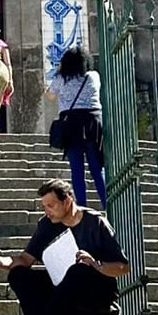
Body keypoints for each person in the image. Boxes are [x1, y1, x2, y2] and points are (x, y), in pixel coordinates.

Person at [0, 177, 129, 315]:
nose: (47, 211)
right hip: (60, 289)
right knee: (19, 274)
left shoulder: (95, 222)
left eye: (51, 205)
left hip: (94, 293)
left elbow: (123, 267)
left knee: (78, 270)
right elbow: (25, 260)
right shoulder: (47, 224)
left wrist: (95, 264)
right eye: (44, 206)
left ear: (67, 201)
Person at [46, 47, 106, 210]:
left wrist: (59, 71)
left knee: (77, 169)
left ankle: (82, 207)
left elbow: (49, 95)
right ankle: (108, 202)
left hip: (71, 123)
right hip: (92, 122)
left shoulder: (62, 78)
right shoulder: (93, 76)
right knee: (97, 166)